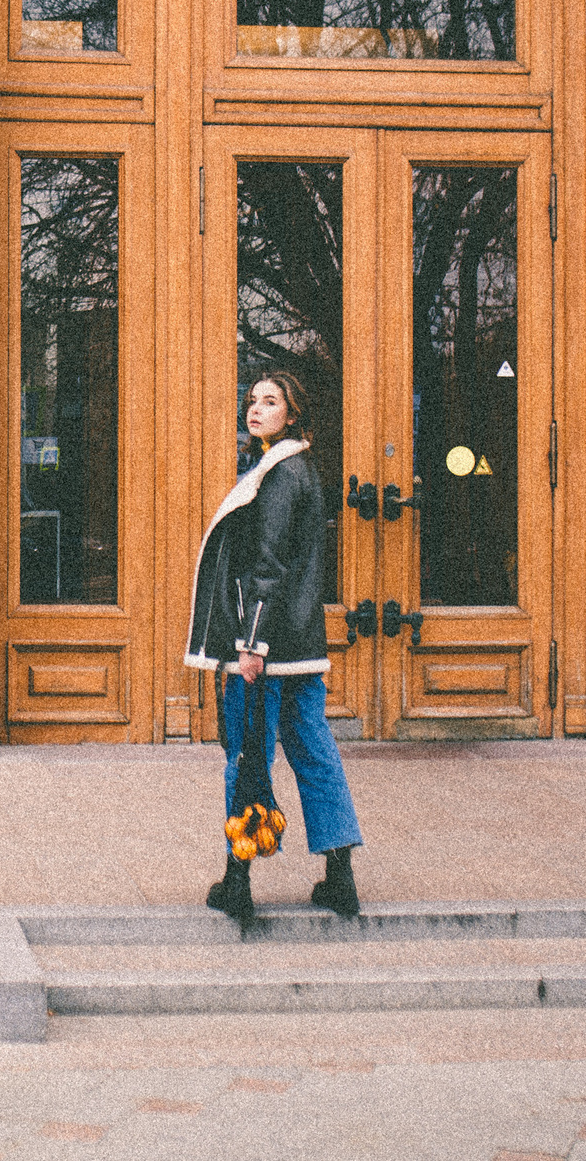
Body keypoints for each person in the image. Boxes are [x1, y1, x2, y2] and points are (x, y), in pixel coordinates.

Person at [185, 370, 363, 921]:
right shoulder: (299, 470)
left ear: (293, 412)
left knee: (247, 756)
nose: (256, 409)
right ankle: (340, 877)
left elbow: (268, 565)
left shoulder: (281, 475)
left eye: (270, 402)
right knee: (314, 753)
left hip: (265, 649)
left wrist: (252, 644)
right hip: (302, 644)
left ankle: (238, 879)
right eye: (252, 401)